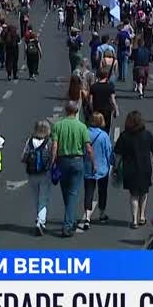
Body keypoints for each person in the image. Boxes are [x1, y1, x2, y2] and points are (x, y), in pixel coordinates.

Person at [50, 101, 93, 238]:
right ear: (76, 111)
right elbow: (88, 148)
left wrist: (52, 162)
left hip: (62, 161)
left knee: (66, 192)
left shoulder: (57, 126)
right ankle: (68, 225)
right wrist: (93, 163)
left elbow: (55, 146)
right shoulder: (82, 127)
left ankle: (70, 218)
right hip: (77, 161)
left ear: (65, 110)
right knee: (73, 193)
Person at [114, 111, 153, 228]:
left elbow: (118, 155)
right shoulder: (147, 135)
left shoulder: (124, 136)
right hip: (145, 168)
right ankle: (142, 216)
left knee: (133, 195)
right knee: (144, 193)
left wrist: (115, 168)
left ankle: (134, 220)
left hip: (130, 169)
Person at [20, 120, 53, 236]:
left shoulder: (30, 141)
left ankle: (39, 218)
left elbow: (23, 157)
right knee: (43, 198)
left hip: (32, 173)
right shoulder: (49, 142)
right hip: (45, 173)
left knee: (36, 198)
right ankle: (41, 221)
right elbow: (52, 156)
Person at [82, 112, 114, 230]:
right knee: (102, 191)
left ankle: (87, 217)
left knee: (88, 192)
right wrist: (113, 164)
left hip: (87, 167)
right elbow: (108, 152)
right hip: (102, 168)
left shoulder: (85, 133)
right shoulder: (104, 135)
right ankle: (101, 213)